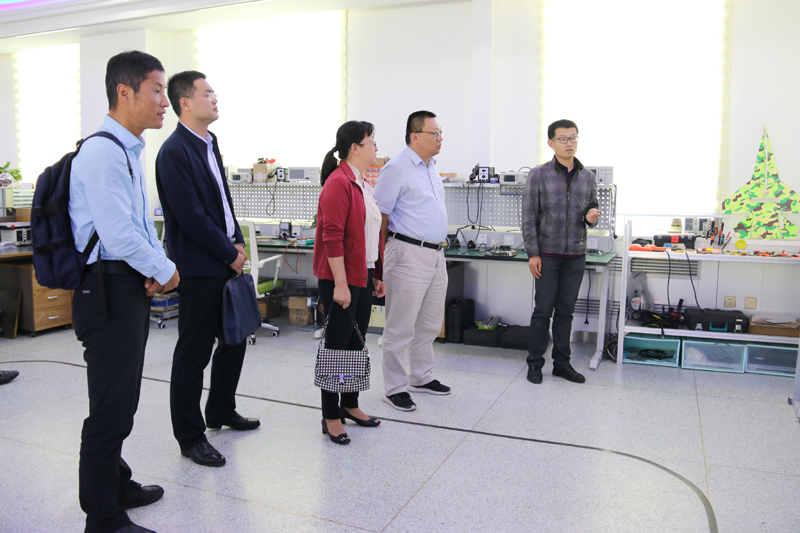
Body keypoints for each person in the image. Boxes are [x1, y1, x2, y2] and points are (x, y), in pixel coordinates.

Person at [69, 50, 180, 533]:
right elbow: (117, 236)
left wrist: (152, 268)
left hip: (123, 284)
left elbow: (138, 226)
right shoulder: (102, 152)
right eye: (157, 90)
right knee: (109, 409)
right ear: (125, 92)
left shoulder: (127, 150)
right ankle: (103, 517)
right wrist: (166, 271)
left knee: (121, 402)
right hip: (105, 290)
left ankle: (117, 484)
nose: (164, 102)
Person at [156, 71, 258, 468]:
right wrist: (228, 252)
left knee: (235, 338)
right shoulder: (174, 152)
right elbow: (191, 216)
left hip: (225, 259)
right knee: (193, 353)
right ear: (185, 102)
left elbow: (222, 200)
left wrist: (238, 240)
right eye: (207, 93)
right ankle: (190, 436)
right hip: (199, 268)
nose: (215, 99)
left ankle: (220, 409)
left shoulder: (209, 142)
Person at [313, 121, 385, 445]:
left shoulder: (362, 183)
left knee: (356, 344)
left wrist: (377, 273)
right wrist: (340, 285)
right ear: (355, 148)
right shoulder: (338, 183)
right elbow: (332, 237)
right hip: (340, 278)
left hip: (362, 274)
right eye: (371, 142)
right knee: (336, 347)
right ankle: (331, 415)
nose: (376, 147)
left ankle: (350, 403)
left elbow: (372, 233)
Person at [373, 110, 450, 412]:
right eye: (435, 133)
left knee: (429, 324)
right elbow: (380, 216)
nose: (440, 138)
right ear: (415, 136)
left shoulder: (432, 167)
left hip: (436, 254)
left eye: (441, 133)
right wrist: (379, 263)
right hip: (407, 254)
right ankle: (394, 388)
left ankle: (421, 376)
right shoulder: (396, 168)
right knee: (400, 326)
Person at [522, 119, 600, 385]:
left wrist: (591, 216)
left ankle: (562, 364)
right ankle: (535, 364)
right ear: (551, 143)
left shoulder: (587, 176)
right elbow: (529, 217)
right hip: (547, 254)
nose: (569, 143)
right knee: (543, 311)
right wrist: (533, 253)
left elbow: (591, 211)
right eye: (563, 139)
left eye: (573, 138)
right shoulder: (538, 175)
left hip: (576, 254)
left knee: (566, 312)